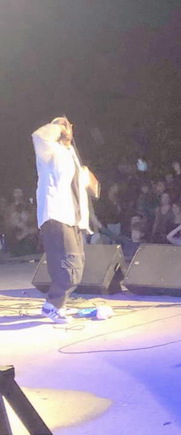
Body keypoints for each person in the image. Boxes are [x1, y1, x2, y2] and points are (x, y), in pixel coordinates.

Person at [32, 117, 94, 324]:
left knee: (77, 265)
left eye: (68, 124)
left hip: (73, 218)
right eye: (60, 124)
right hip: (56, 215)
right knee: (68, 265)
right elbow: (39, 136)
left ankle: (58, 303)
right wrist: (58, 126)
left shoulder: (70, 154)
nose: (65, 126)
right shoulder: (49, 151)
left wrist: (89, 181)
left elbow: (81, 187)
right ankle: (52, 305)